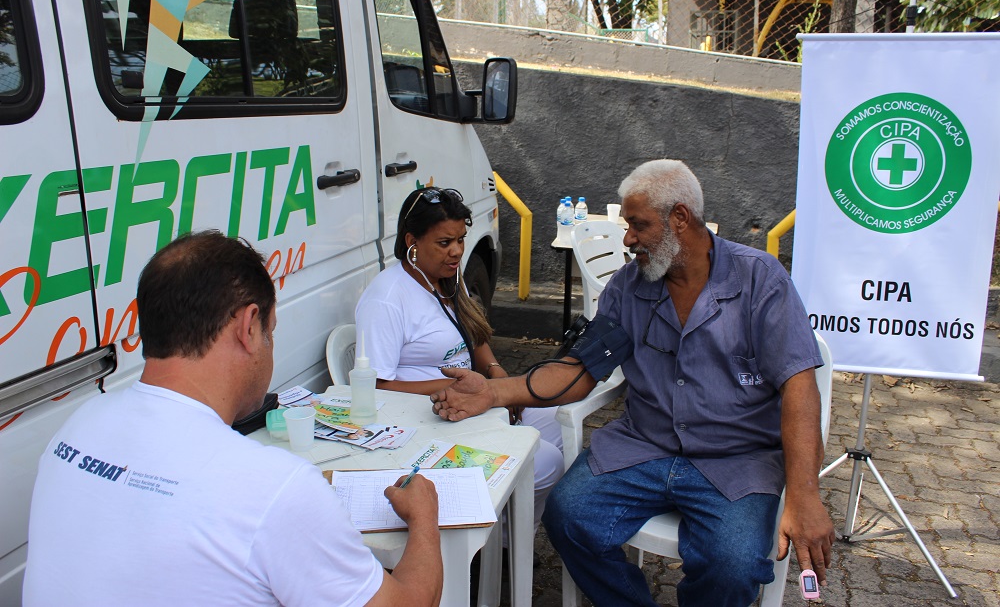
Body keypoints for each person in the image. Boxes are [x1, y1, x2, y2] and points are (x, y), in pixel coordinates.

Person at [430, 160, 836, 606]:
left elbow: (799, 387)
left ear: (680, 218)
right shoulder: (629, 287)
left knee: (733, 565)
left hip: (736, 459)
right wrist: (492, 392)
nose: (627, 239)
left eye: (638, 225)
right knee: (569, 518)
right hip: (645, 446)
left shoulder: (759, 280)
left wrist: (804, 495)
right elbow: (579, 370)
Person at [23, 230, 442, 607]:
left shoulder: (78, 425)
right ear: (248, 326)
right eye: (270, 332)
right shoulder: (276, 488)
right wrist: (424, 517)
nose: (269, 347)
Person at [356, 186, 564, 528]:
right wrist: (464, 388)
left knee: (552, 413)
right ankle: (497, 541)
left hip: (472, 399)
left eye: (461, 240)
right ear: (412, 242)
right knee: (546, 463)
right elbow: (375, 386)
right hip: (429, 417)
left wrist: (495, 374)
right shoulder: (387, 300)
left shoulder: (446, 279)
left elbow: (472, 335)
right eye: (443, 243)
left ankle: (507, 530)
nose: (456, 252)